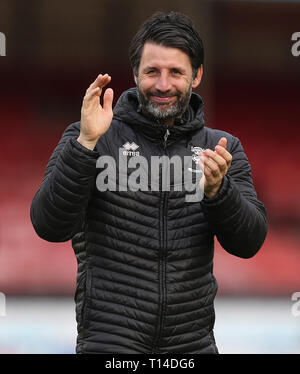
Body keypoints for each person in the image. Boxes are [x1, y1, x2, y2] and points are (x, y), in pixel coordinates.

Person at [30, 11, 267, 354]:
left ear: (197, 75)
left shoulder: (222, 148)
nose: (163, 84)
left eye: (176, 72)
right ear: (135, 74)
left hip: (192, 346)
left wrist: (220, 192)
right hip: (108, 344)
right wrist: (84, 145)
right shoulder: (92, 137)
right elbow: (48, 225)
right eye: (152, 71)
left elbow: (250, 243)